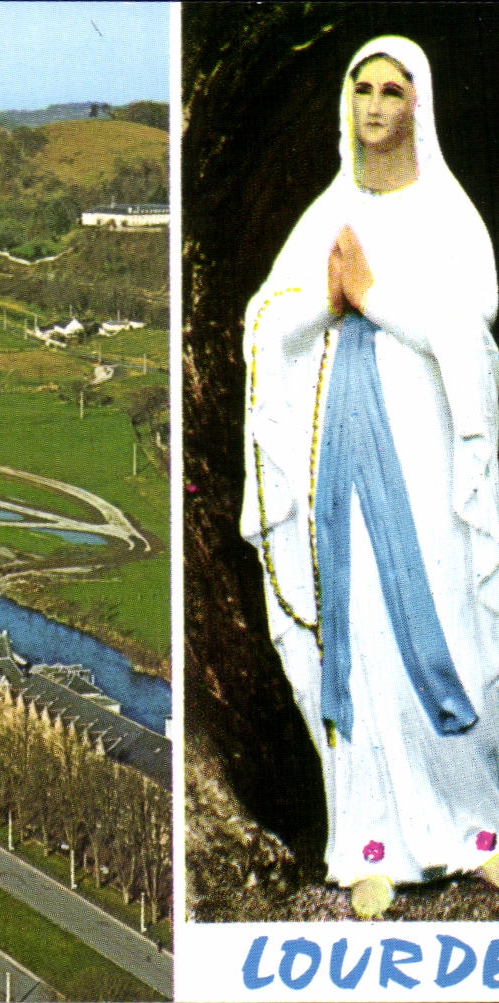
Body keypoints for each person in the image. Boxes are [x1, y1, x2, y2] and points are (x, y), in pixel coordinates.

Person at [241, 36, 499, 918]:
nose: (376, 106)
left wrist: (374, 297)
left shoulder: (446, 214)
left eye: (393, 90)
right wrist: (327, 300)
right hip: (343, 460)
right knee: (362, 631)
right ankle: (368, 842)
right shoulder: (329, 214)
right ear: (345, 104)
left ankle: (475, 826)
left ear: (418, 104)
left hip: (427, 459)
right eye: (363, 90)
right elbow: (265, 319)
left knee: (443, 620)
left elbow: (469, 323)